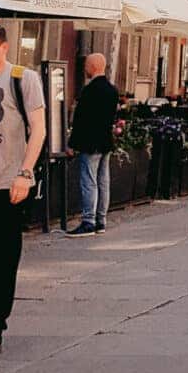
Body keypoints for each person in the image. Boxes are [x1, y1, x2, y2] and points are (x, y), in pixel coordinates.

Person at [0, 21, 45, 362]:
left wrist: (25, 172)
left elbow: (40, 129)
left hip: (7, 186)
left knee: (3, 265)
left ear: (4, 46)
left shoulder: (23, 78)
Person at [65, 52, 118, 237]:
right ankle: (101, 220)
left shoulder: (89, 90)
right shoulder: (112, 90)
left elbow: (81, 120)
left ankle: (88, 221)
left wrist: (72, 143)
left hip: (90, 143)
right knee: (103, 181)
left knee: (89, 181)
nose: (85, 68)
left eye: (87, 65)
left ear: (93, 66)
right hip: (105, 141)